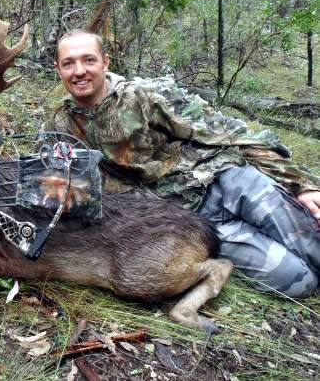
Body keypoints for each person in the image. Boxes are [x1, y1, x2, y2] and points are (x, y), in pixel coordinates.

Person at [45, 28, 320, 297]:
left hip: (224, 182)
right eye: (69, 63)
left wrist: (301, 184)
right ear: (58, 69)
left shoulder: (146, 97)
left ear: (105, 62)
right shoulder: (59, 126)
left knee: (313, 246)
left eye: (88, 60)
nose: (79, 71)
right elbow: (51, 183)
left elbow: (233, 134)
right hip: (189, 223)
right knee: (298, 281)